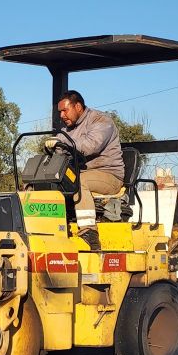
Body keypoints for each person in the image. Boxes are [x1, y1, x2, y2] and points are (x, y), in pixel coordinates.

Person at [47, 90, 124, 250]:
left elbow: (90, 145)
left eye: (65, 110)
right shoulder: (69, 129)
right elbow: (62, 147)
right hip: (84, 174)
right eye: (60, 111)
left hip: (109, 176)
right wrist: (53, 145)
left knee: (78, 182)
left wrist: (63, 143)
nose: (62, 115)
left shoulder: (101, 121)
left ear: (78, 106)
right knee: (46, 181)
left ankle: (89, 232)